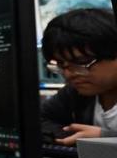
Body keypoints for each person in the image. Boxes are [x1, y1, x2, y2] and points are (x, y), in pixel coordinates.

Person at [40, 8, 117, 145]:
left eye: (82, 62)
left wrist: (106, 138)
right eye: (61, 64)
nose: (69, 74)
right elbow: (37, 119)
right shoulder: (76, 91)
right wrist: (75, 136)